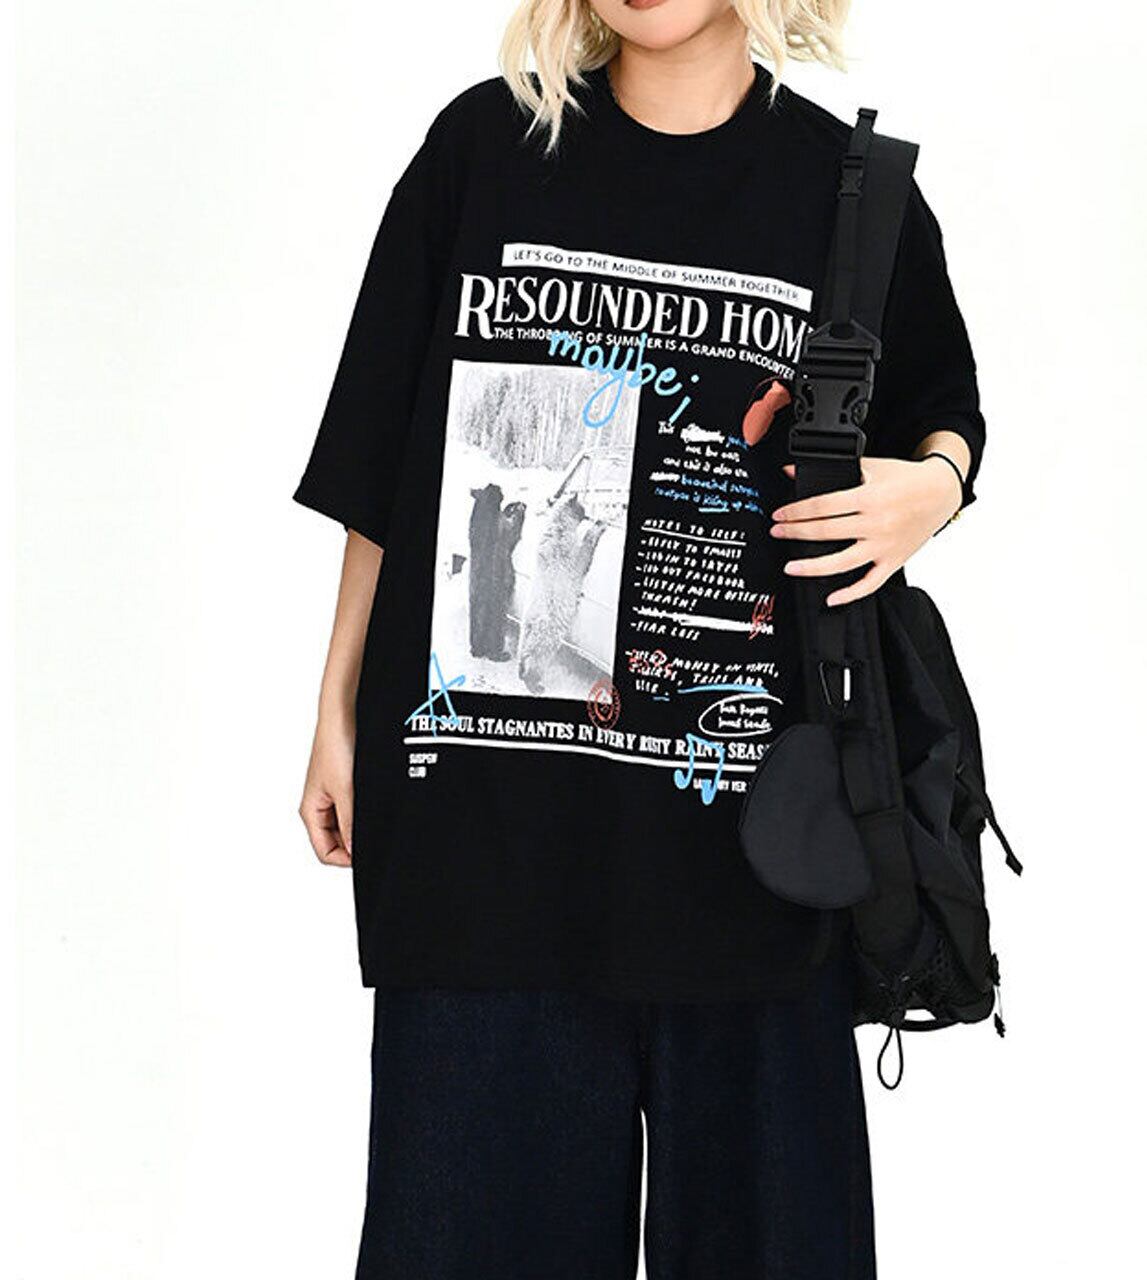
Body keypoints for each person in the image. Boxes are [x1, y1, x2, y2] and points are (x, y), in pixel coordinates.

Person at [294, 2, 985, 1276]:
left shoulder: (848, 191)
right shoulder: (480, 152)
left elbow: (943, 411)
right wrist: (335, 708)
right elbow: (379, 458)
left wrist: (931, 487)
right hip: (485, 850)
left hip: (761, 856)